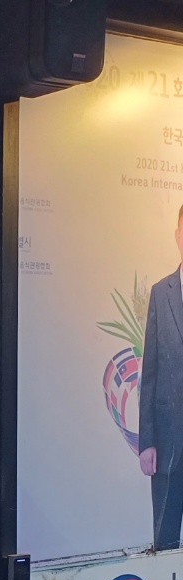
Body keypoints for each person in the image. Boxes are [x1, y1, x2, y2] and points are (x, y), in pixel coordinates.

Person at [139, 205, 183, 550]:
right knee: (165, 543)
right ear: (178, 235)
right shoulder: (160, 292)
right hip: (169, 444)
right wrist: (147, 441)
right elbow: (150, 372)